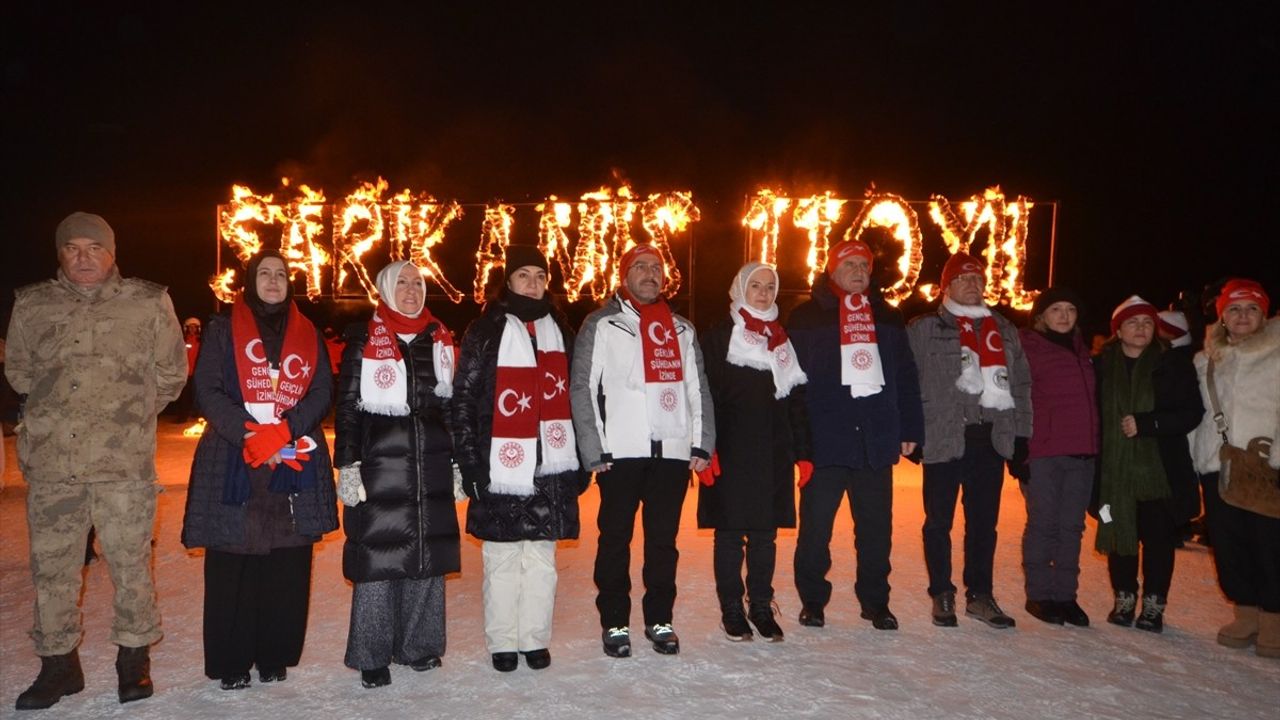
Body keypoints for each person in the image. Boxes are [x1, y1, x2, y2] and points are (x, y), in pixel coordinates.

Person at [6, 212, 186, 709]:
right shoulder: (33, 304)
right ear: (59, 253)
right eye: (72, 248)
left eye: (94, 248)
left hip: (122, 464)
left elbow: (171, 374)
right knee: (53, 568)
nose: (84, 258)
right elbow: (20, 371)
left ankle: (134, 662)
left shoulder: (148, 302)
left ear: (112, 253)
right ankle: (59, 666)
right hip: (52, 462)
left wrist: (125, 415)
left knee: (131, 565)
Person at [180, 249, 337, 690]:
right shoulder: (221, 328)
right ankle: (232, 660)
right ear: (250, 282)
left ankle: (274, 653)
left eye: (281, 274)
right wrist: (252, 434)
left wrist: (284, 431)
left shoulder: (307, 333)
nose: (273, 280)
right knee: (234, 562)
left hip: (294, 458)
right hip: (235, 458)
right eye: (264, 274)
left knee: (286, 563)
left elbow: (323, 389)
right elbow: (207, 390)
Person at [570, 243, 714, 657]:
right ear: (624, 274)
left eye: (656, 267)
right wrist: (593, 446)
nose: (650, 274)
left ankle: (659, 618)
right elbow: (582, 386)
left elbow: (696, 389)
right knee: (615, 539)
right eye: (641, 267)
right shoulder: (603, 323)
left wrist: (701, 442)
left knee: (663, 542)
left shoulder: (682, 329)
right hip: (620, 453)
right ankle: (615, 621)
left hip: (670, 453)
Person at [452, 245, 586, 671]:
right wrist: (470, 462)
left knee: (542, 559)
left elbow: (576, 398)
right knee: (503, 557)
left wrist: (578, 459)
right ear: (507, 281)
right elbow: (463, 400)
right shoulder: (485, 330)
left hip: (549, 463)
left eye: (539, 275)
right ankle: (503, 641)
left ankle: (534, 638)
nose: (533, 283)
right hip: (500, 462)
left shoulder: (561, 330)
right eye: (523, 275)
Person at [334, 260, 460, 688]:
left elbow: (450, 409)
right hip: (380, 467)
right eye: (402, 282)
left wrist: (458, 461)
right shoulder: (362, 338)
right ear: (385, 289)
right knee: (378, 559)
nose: (411, 290)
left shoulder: (439, 339)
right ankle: (372, 653)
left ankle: (419, 646)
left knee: (428, 554)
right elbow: (348, 408)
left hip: (431, 465)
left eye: (418, 283)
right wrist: (347, 464)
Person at [786, 241, 923, 631]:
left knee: (876, 530)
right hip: (824, 442)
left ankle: (876, 602)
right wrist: (798, 439)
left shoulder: (890, 317)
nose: (859, 270)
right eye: (850, 264)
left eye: (864, 264)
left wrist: (911, 428)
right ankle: (813, 601)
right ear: (833, 270)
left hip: (874, 442)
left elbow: (907, 377)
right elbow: (792, 383)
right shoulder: (807, 316)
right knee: (815, 531)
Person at [907, 252, 1031, 629]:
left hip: (988, 441)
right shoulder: (925, 327)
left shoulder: (1005, 329)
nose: (972, 286)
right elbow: (907, 381)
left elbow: (1023, 385)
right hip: (943, 438)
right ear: (946, 287)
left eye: (977, 279)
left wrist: (1021, 436)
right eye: (963, 279)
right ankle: (941, 593)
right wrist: (911, 432)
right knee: (937, 522)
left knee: (983, 525)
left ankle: (980, 595)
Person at [697, 262, 811, 641]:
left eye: (769, 287)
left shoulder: (781, 339)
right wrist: (705, 447)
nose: (763, 294)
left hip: (772, 452)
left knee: (765, 536)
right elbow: (704, 395)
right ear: (740, 288)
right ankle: (732, 608)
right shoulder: (717, 337)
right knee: (729, 534)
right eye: (756, 286)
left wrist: (804, 452)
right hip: (729, 451)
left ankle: (760, 605)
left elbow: (795, 400)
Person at [1093, 296, 1203, 633]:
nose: (1140, 329)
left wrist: (1149, 423)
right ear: (1118, 330)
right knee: (1118, 531)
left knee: (1158, 539)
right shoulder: (1100, 367)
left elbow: (1190, 413)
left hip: (1159, 471)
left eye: (1146, 323)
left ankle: (1154, 603)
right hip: (1113, 471)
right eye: (1132, 323)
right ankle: (1124, 597)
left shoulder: (1172, 364)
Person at [1188, 279, 1280, 657]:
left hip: (1268, 467)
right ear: (1222, 317)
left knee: (1270, 544)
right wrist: (1196, 457)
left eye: (1251, 309)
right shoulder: (1206, 358)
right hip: (1219, 465)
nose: (1243, 316)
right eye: (1235, 309)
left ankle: (1274, 617)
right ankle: (1245, 614)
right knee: (1228, 543)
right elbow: (1200, 416)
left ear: (1264, 314)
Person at [1013, 287, 1098, 627]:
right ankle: (1039, 595)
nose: (1063, 316)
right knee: (1043, 525)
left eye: (1070, 309)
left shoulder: (1085, 352)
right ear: (1041, 316)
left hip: (1083, 454)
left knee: (1072, 528)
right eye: (1055, 310)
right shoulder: (1028, 348)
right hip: (1044, 452)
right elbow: (1018, 399)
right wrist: (1019, 450)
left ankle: (1066, 596)